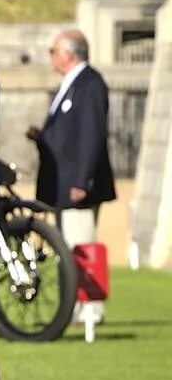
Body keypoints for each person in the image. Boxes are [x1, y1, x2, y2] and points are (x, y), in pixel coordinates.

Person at [28, 29, 115, 254]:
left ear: (67, 53)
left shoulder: (89, 84)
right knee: (66, 250)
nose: (51, 56)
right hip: (60, 184)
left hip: (75, 187)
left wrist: (81, 180)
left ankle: (80, 291)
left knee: (78, 250)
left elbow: (92, 133)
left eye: (53, 51)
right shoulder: (71, 83)